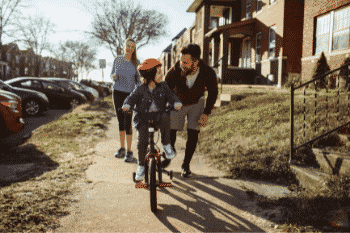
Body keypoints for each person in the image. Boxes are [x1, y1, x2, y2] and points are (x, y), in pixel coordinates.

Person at [122, 58, 182, 181]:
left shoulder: (164, 86)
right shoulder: (140, 88)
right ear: (150, 75)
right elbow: (131, 98)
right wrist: (127, 105)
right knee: (142, 140)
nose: (162, 75)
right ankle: (141, 166)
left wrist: (176, 102)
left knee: (166, 116)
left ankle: (166, 145)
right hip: (142, 118)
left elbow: (172, 96)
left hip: (158, 117)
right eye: (159, 72)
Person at [165, 43, 218, 178]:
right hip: (179, 101)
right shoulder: (175, 71)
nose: (182, 64)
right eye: (181, 60)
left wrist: (206, 113)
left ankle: (186, 165)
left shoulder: (207, 72)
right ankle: (169, 154)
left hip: (197, 102)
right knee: (171, 128)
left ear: (196, 62)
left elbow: (213, 92)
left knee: (193, 132)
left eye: (186, 62)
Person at [111, 38, 141, 162]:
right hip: (117, 93)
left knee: (128, 122)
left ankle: (129, 151)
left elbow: (138, 81)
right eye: (128, 46)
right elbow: (112, 73)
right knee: (120, 122)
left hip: (129, 96)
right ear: (124, 46)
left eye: (132, 47)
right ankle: (122, 148)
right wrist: (113, 76)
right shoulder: (117, 60)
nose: (130, 48)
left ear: (134, 49)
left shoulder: (136, 62)